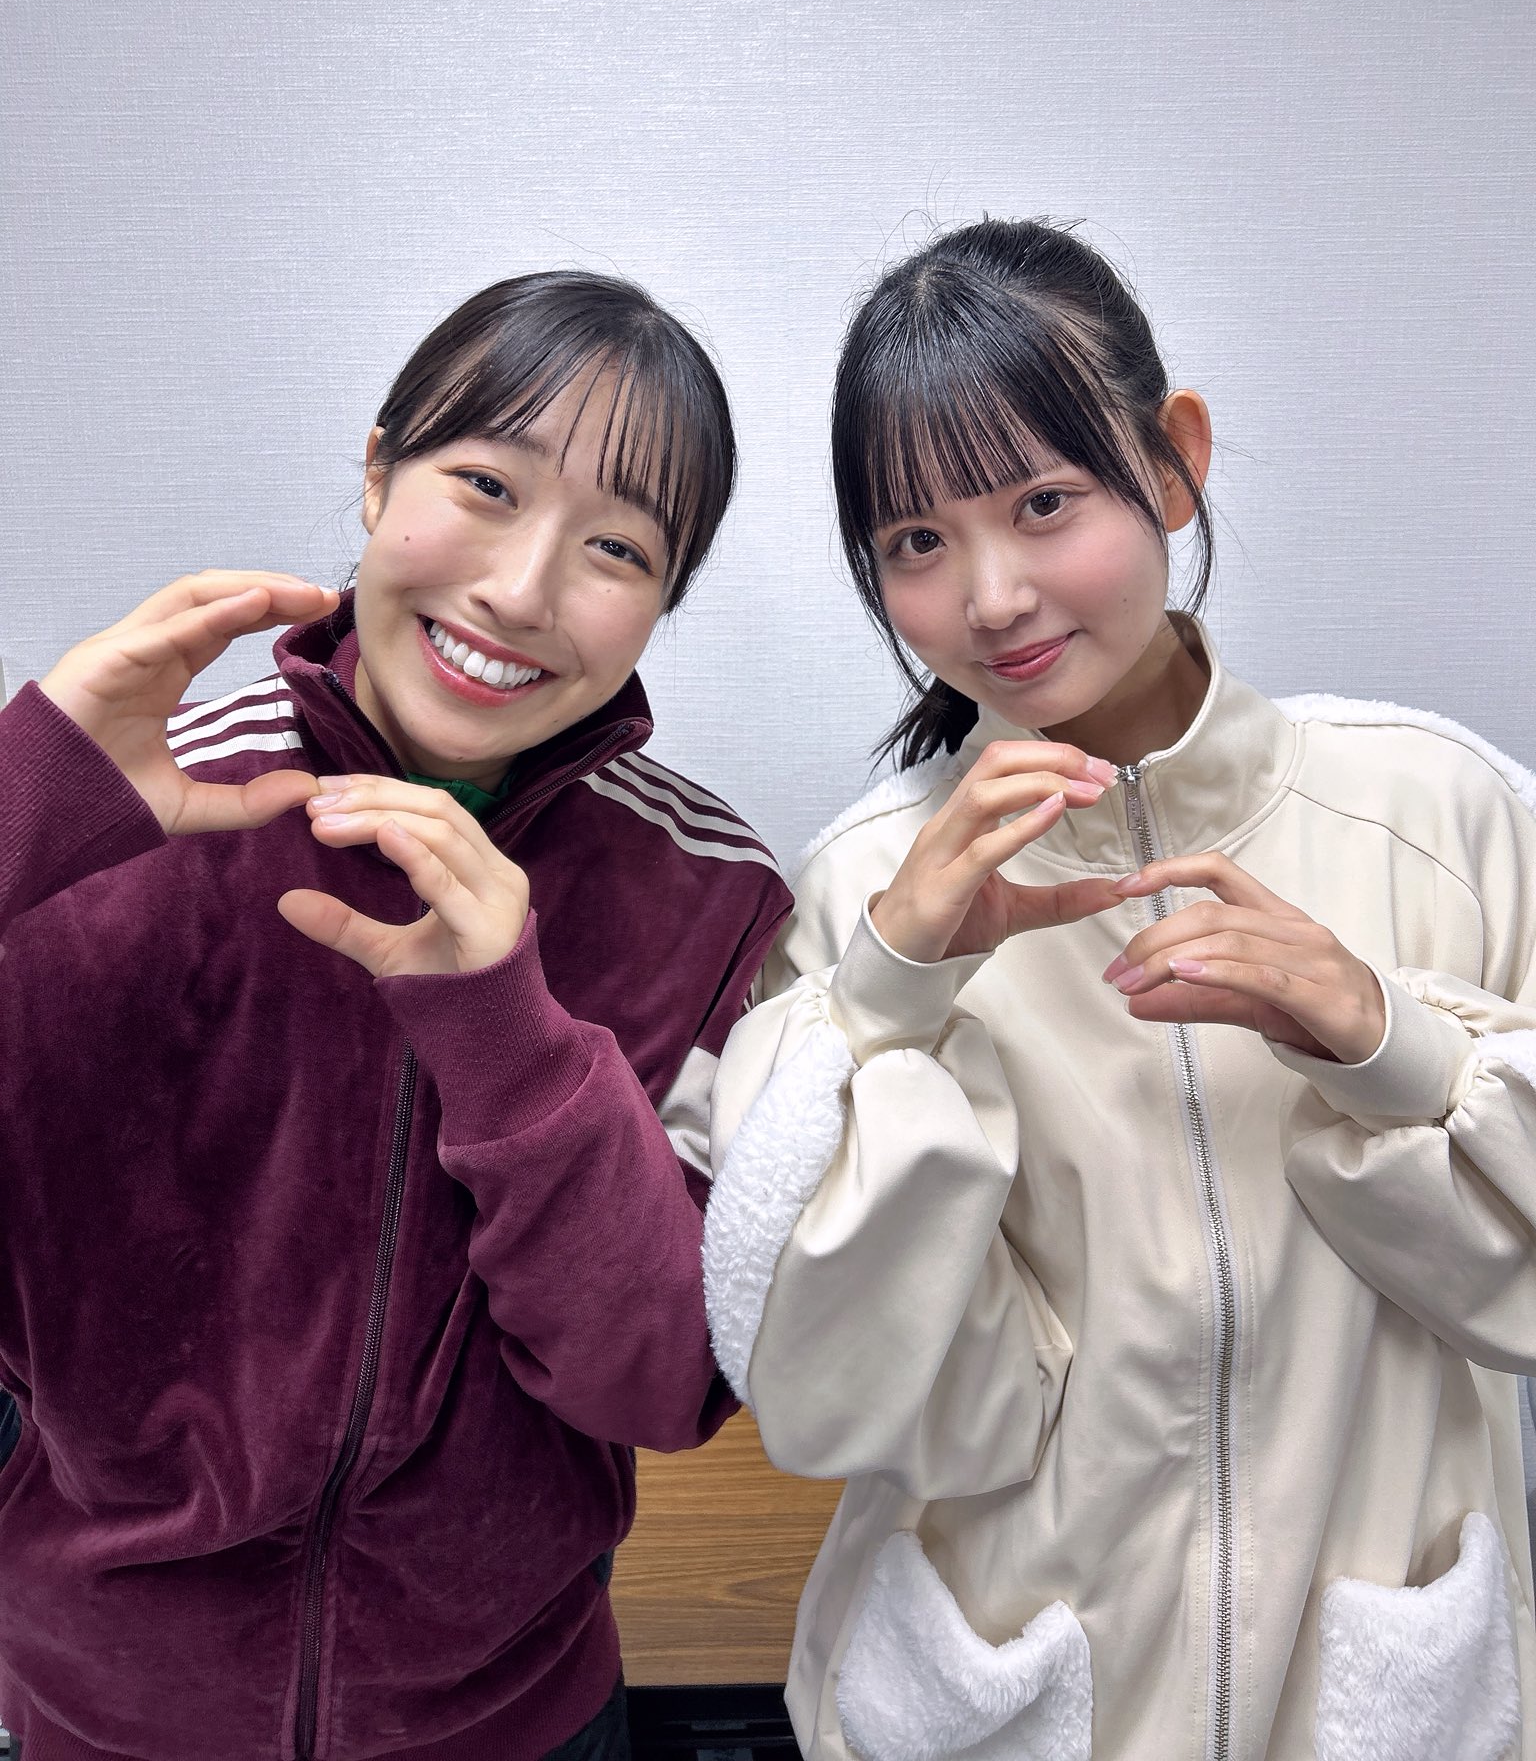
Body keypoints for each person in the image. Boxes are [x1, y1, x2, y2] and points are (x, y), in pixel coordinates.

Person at [702, 219, 1536, 1761]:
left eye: (1044, 503)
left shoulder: (1446, 812)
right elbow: (817, 1383)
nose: (993, 596)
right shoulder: (866, 888)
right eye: (918, 542)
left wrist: (1390, 1045)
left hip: (1370, 1688)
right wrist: (890, 988)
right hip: (1014, 1696)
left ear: (1173, 464)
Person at [0, 272, 791, 1761]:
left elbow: (659, 1382)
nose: (521, 591)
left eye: (618, 546)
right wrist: (18, 810)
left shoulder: (709, 896)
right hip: (108, 1714)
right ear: (377, 476)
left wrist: (507, 1033)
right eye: (487, 485)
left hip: (521, 1716)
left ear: (662, 606)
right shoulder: (119, 815)